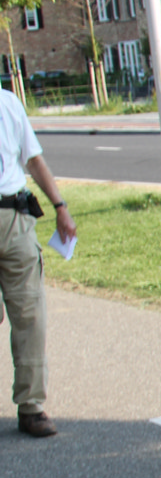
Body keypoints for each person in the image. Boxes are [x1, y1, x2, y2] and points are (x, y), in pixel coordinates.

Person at [0, 86, 76, 438]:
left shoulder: (8, 103)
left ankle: (31, 407)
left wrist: (60, 207)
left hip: (15, 218)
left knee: (30, 314)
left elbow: (33, 159)